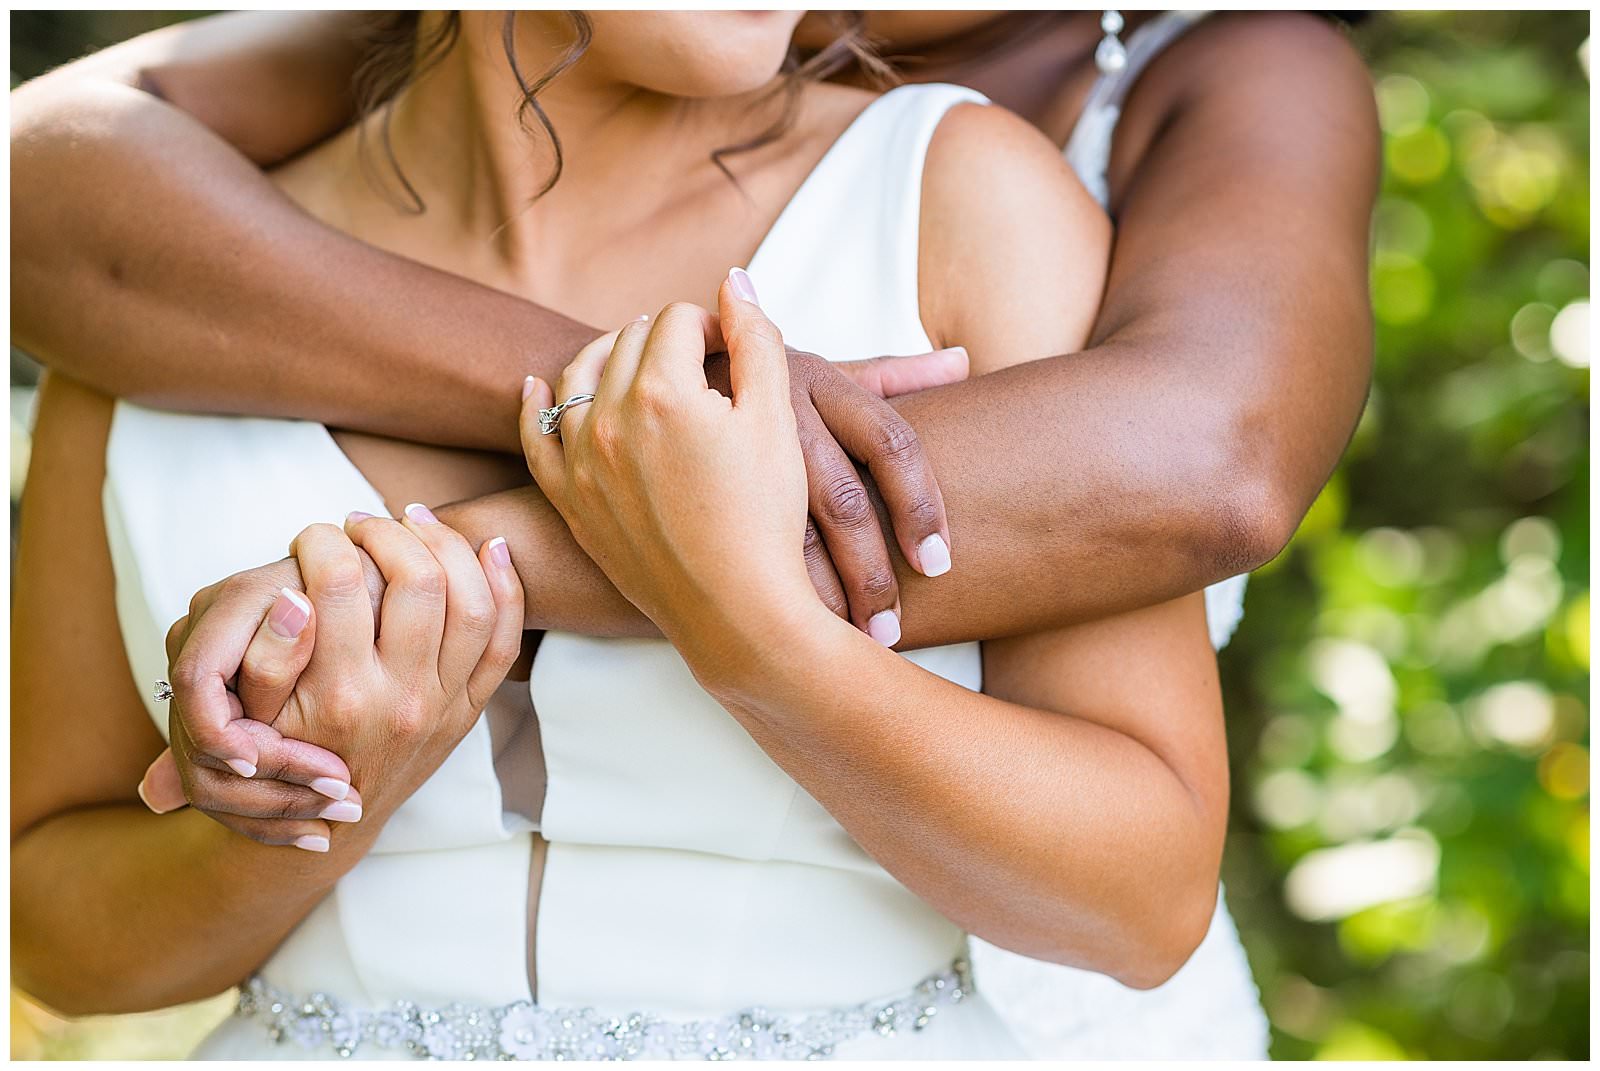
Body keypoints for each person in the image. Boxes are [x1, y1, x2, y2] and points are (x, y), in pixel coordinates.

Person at [10, 10, 1379, 1059]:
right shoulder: (165, 281)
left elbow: (1141, 900)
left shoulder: (956, 202)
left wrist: (754, 632)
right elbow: (55, 932)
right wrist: (290, 816)